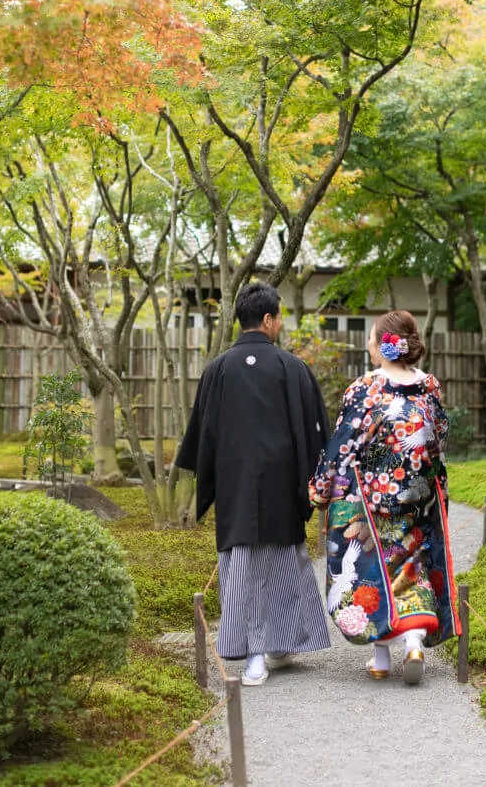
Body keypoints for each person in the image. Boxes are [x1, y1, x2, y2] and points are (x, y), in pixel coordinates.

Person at [176, 281, 332, 686]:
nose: (280, 323)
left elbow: (202, 435)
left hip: (235, 486)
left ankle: (260, 653)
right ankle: (267, 650)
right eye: (278, 316)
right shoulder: (291, 367)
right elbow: (314, 432)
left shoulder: (218, 368)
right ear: (267, 320)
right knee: (282, 562)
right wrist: (313, 481)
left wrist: (211, 481)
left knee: (242, 564)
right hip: (282, 483)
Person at [309, 309, 461, 684]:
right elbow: (439, 436)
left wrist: (321, 488)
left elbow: (345, 444)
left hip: (372, 496)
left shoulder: (367, 388)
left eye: (371, 338)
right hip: (417, 495)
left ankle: (381, 658)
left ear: (384, 345)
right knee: (412, 564)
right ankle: (413, 642)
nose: (367, 344)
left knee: (368, 569)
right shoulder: (429, 385)